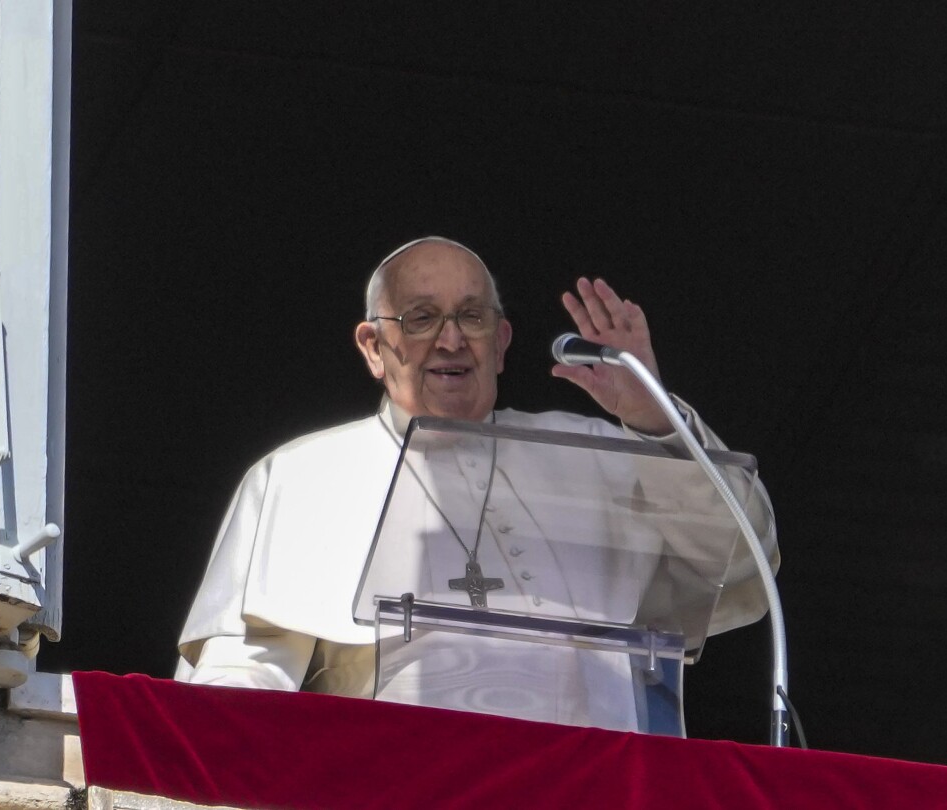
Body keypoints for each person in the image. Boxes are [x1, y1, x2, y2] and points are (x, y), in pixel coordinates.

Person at [175, 236, 777, 733]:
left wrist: (652, 417)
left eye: (471, 316)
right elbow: (242, 675)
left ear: (503, 343)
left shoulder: (598, 452)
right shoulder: (301, 475)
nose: (451, 339)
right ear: (374, 347)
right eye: (421, 317)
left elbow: (740, 555)